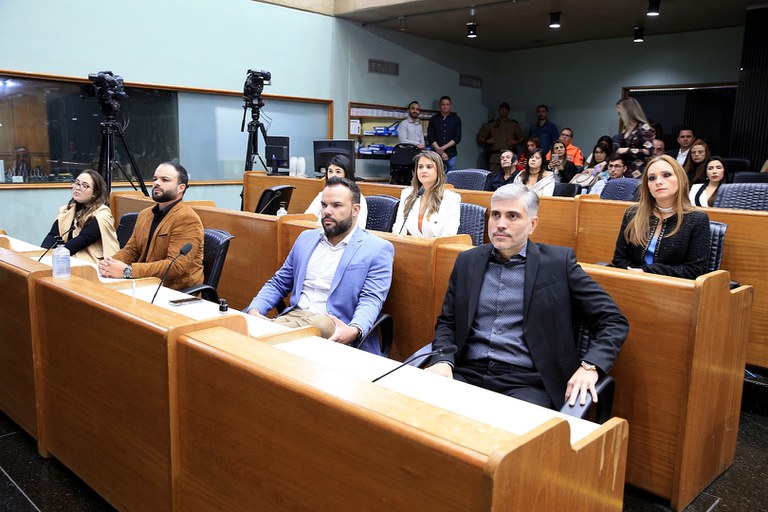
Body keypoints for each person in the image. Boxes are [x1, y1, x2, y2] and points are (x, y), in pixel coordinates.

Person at [425, 183, 628, 410]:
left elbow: (613, 320)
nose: (501, 224)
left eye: (512, 216)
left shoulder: (558, 264)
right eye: (496, 215)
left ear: (532, 224)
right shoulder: (468, 261)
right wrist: (443, 360)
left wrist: (590, 366)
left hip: (527, 382)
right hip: (466, 372)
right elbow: (448, 321)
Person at [246, 177, 394, 355]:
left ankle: (274, 332)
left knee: (315, 325)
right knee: (244, 330)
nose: (327, 211)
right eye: (324, 205)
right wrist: (254, 310)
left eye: (337, 205)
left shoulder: (377, 248)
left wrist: (355, 329)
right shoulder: (306, 238)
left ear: (355, 210)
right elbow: (279, 283)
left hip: (336, 323)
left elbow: (371, 299)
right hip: (296, 317)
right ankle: (274, 332)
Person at [98, 161, 204, 290]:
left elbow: (175, 266)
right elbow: (131, 250)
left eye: (165, 180)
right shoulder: (145, 214)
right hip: (144, 283)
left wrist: (128, 271)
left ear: (181, 188)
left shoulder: (187, 218)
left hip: (174, 290)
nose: (156, 183)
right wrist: (109, 264)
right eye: (155, 179)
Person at [611, 155, 710, 279]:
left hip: (672, 287)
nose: (658, 182)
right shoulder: (632, 214)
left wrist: (646, 272)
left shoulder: (697, 219)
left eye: (666, 175)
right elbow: (619, 259)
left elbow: (695, 270)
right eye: (652, 178)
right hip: (631, 282)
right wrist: (635, 275)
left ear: (680, 179)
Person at [41, 169, 119, 264]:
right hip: (68, 259)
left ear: (95, 193)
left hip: (93, 264)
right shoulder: (67, 210)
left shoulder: (102, 213)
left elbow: (82, 240)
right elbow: (53, 235)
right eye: (77, 183)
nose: (78, 188)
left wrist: (55, 256)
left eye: (85, 186)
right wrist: (41, 255)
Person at [393, 151, 461, 237]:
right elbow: (399, 227)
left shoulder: (451, 198)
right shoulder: (407, 194)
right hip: (412, 244)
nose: (424, 170)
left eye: (429, 167)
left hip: (437, 245)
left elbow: (449, 235)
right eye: (420, 167)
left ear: (438, 171)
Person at [305, 154, 368, 229]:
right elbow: (308, 217)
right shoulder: (322, 194)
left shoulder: (358, 198)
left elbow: (360, 227)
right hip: (320, 232)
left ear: (346, 174)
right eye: (330, 171)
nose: (333, 175)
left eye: (338, 172)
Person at [476, 102, 524, 172]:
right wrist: (487, 141)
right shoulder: (491, 125)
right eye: (501, 109)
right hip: (495, 157)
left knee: (510, 175)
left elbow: (522, 137)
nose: (503, 111)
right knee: (494, 176)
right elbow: (480, 137)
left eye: (505, 109)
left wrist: (515, 142)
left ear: (508, 111)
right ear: (499, 111)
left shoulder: (513, 125)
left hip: (509, 157)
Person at [615, 97, 654, 177]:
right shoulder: (624, 129)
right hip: (624, 171)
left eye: (620, 114)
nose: (620, 117)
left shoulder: (644, 128)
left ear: (628, 112)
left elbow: (649, 151)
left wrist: (626, 150)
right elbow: (618, 151)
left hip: (638, 172)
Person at [427, 96, 462, 172]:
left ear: (450, 105)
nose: (445, 106)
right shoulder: (433, 119)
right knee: (436, 176)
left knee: (451, 177)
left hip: (451, 155)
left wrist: (443, 148)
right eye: (443, 104)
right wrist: (440, 151)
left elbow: (457, 138)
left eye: (447, 104)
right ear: (440, 105)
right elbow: (430, 137)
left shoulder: (456, 119)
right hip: (436, 155)